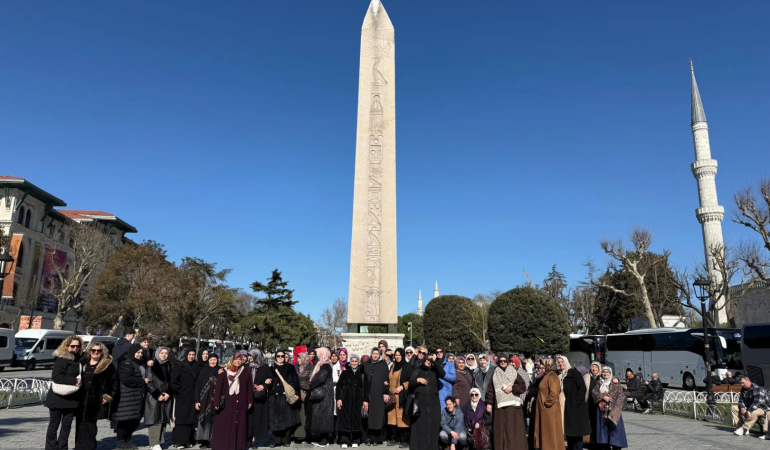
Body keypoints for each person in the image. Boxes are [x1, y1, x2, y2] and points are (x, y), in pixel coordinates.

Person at [44, 335, 83, 450]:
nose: (75, 348)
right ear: (66, 346)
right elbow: (56, 377)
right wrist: (74, 380)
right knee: (54, 425)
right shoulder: (61, 359)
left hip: (71, 398)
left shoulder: (78, 359)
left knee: (66, 425)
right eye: (72, 346)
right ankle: (51, 447)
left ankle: (63, 447)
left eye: (77, 346)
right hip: (57, 397)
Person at [75, 341, 116, 450]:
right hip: (81, 399)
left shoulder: (107, 365)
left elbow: (114, 383)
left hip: (95, 400)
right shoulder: (83, 363)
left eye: (99, 350)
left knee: (90, 425)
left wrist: (108, 396)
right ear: (89, 351)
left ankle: (89, 447)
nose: (96, 352)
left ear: (103, 352)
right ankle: (78, 447)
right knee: (79, 424)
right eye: (93, 350)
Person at [211, 352, 254, 450]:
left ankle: (239, 446)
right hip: (227, 403)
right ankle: (223, 445)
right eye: (236, 359)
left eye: (240, 359)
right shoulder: (224, 372)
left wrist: (250, 401)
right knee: (225, 424)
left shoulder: (246, 371)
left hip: (241, 401)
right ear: (232, 360)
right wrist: (216, 402)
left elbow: (249, 388)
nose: (238, 361)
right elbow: (218, 388)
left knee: (240, 424)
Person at [485, 354, 527, 450]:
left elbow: (523, 386)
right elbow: (490, 390)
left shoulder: (513, 371)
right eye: (501, 361)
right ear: (498, 362)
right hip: (500, 407)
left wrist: (512, 388)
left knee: (514, 432)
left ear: (507, 361)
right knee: (501, 432)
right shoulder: (495, 373)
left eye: (504, 361)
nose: (503, 362)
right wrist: (489, 403)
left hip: (514, 407)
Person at [112, 344, 146, 449]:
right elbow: (126, 379)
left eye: (141, 353)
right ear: (132, 352)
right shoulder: (126, 362)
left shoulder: (137, 362)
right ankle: (121, 441)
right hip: (126, 396)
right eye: (138, 352)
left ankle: (127, 440)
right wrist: (142, 381)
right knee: (124, 419)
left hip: (135, 396)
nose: (140, 354)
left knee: (133, 420)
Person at [409, 354, 446, 450]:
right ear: (423, 360)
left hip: (433, 402)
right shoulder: (417, 370)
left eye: (430, 361)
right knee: (421, 426)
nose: (428, 362)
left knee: (434, 424)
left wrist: (435, 362)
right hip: (420, 402)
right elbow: (410, 385)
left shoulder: (434, 370)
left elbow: (443, 374)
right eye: (427, 361)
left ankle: (433, 446)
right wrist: (417, 380)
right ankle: (421, 446)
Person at [557, 355, 590, 450]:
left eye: (562, 361)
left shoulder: (574, 373)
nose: (560, 363)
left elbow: (582, 388)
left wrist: (576, 401)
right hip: (564, 406)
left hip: (574, 407)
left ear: (566, 362)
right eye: (558, 362)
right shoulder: (559, 376)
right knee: (568, 432)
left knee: (576, 433)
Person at [270, 350, 302, 447]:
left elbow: (296, 382)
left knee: (288, 420)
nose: (280, 358)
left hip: (288, 397)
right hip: (275, 398)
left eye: (282, 356)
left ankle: (286, 440)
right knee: (276, 420)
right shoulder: (271, 368)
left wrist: (297, 393)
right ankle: (276, 440)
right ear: (275, 357)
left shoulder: (291, 368)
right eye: (278, 356)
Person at [590, 367, 628, 449]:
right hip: (601, 411)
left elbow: (621, 397)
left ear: (610, 374)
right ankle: (605, 445)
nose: (605, 373)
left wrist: (615, 409)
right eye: (604, 372)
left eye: (607, 372)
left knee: (615, 431)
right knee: (604, 432)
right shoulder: (598, 383)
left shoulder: (615, 383)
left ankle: (616, 446)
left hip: (613, 410)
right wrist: (603, 397)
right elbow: (594, 393)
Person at [144, 346, 173, 450]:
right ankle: (154, 443)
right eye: (162, 353)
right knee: (154, 420)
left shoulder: (170, 365)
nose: (164, 355)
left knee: (163, 419)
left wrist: (168, 392)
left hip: (166, 396)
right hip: (154, 397)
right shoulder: (152, 366)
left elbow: (172, 381)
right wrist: (157, 394)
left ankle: (159, 441)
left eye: (166, 353)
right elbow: (149, 383)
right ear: (157, 354)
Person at [337, 354, 367, 448]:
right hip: (346, 401)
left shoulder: (362, 374)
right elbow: (339, 387)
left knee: (356, 420)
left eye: (356, 361)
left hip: (358, 401)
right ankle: (344, 440)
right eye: (352, 361)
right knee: (345, 420)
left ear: (358, 362)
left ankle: (355, 439)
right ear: (350, 362)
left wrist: (365, 400)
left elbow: (366, 388)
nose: (354, 363)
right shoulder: (345, 373)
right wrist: (339, 398)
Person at [171, 348, 199, 448]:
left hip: (192, 396)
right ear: (186, 355)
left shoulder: (196, 366)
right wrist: (180, 390)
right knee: (181, 420)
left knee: (190, 420)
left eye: (193, 354)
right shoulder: (179, 366)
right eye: (190, 354)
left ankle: (188, 440)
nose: (191, 356)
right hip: (182, 397)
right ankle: (179, 441)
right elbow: (173, 381)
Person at [307, 347, 335, 445]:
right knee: (321, 416)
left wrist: (310, 384)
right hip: (323, 394)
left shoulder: (325, 366)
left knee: (324, 416)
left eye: (318, 354)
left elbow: (320, 378)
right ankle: (321, 437)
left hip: (324, 396)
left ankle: (325, 438)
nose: (316, 355)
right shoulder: (322, 365)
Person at [363, 348, 390, 445]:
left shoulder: (383, 365)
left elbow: (386, 380)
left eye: (377, 354)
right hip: (368, 394)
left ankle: (377, 438)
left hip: (378, 394)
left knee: (378, 416)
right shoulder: (366, 365)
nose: (375, 355)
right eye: (373, 353)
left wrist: (385, 393)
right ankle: (368, 438)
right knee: (368, 416)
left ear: (380, 355)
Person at [534, 361, 564, 450]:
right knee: (547, 433)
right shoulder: (546, 376)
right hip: (545, 411)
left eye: (545, 366)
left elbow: (554, 393)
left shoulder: (552, 376)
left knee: (551, 433)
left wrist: (546, 404)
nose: (543, 368)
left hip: (550, 411)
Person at [388, 348, 413, 448]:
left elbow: (411, 380)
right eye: (396, 355)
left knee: (402, 419)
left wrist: (402, 387)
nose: (397, 357)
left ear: (402, 355)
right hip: (392, 397)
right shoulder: (393, 366)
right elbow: (389, 377)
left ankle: (404, 441)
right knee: (392, 419)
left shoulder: (407, 367)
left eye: (399, 355)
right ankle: (395, 439)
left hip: (402, 397)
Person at [196, 354, 222, 449]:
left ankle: (214, 440)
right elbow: (198, 386)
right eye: (211, 360)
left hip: (216, 400)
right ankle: (204, 441)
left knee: (215, 420)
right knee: (205, 419)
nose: (212, 362)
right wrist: (197, 401)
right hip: (204, 400)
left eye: (214, 359)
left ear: (217, 360)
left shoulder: (221, 371)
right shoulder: (204, 370)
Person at [249, 348, 273, 448]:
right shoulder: (247, 367)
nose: (249, 357)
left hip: (259, 397)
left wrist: (263, 385)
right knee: (249, 418)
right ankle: (248, 436)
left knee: (257, 418)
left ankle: (255, 439)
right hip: (249, 396)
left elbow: (270, 380)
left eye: (251, 355)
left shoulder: (265, 367)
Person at [524, 362, 546, 450]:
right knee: (533, 426)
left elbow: (539, 391)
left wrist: (530, 392)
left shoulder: (544, 378)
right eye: (536, 368)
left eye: (540, 368)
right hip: (533, 406)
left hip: (540, 406)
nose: (537, 370)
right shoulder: (536, 378)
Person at [296, 348, 313, 444]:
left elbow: (311, 381)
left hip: (307, 394)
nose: (298, 360)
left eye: (300, 358)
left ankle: (307, 436)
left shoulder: (311, 367)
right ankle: (299, 435)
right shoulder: (297, 368)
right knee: (300, 415)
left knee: (306, 415)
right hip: (298, 394)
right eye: (298, 358)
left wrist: (303, 388)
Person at [587, 362, 602, 445]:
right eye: (592, 367)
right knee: (592, 422)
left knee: (599, 422)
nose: (594, 369)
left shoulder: (601, 377)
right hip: (589, 404)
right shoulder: (587, 377)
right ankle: (591, 440)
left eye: (596, 367)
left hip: (599, 403)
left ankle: (599, 440)